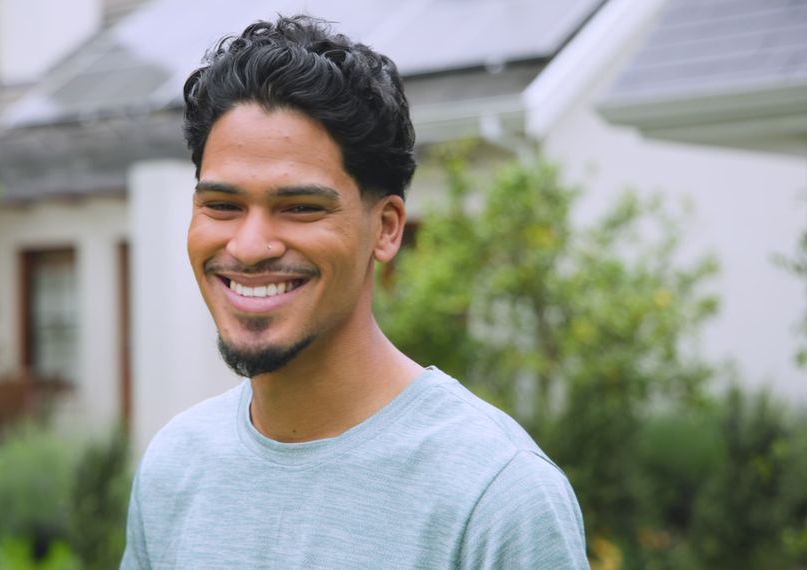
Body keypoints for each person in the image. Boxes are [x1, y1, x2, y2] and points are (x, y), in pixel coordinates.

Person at [121, 15, 587, 569]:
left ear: (386, 228)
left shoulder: (495, 496)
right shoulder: (175, 468)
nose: (248, 246)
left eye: (300, 207)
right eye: (222, 205)